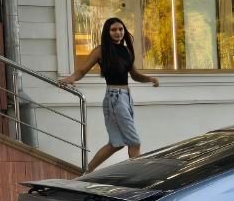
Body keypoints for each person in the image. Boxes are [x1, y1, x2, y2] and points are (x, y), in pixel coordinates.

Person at [59, 17, 159, 172]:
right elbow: (81, 70)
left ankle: (85, 172)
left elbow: (134, 75)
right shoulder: (101, 51)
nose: (118, 32)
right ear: (107, 32)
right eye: (113, 30)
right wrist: (71, 78)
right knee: (134, 142)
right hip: (114, 98)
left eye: (120, 29)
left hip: (126, 97)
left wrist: (149, 79)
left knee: (116, 143)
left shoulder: (126, 50)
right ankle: (140, 176)